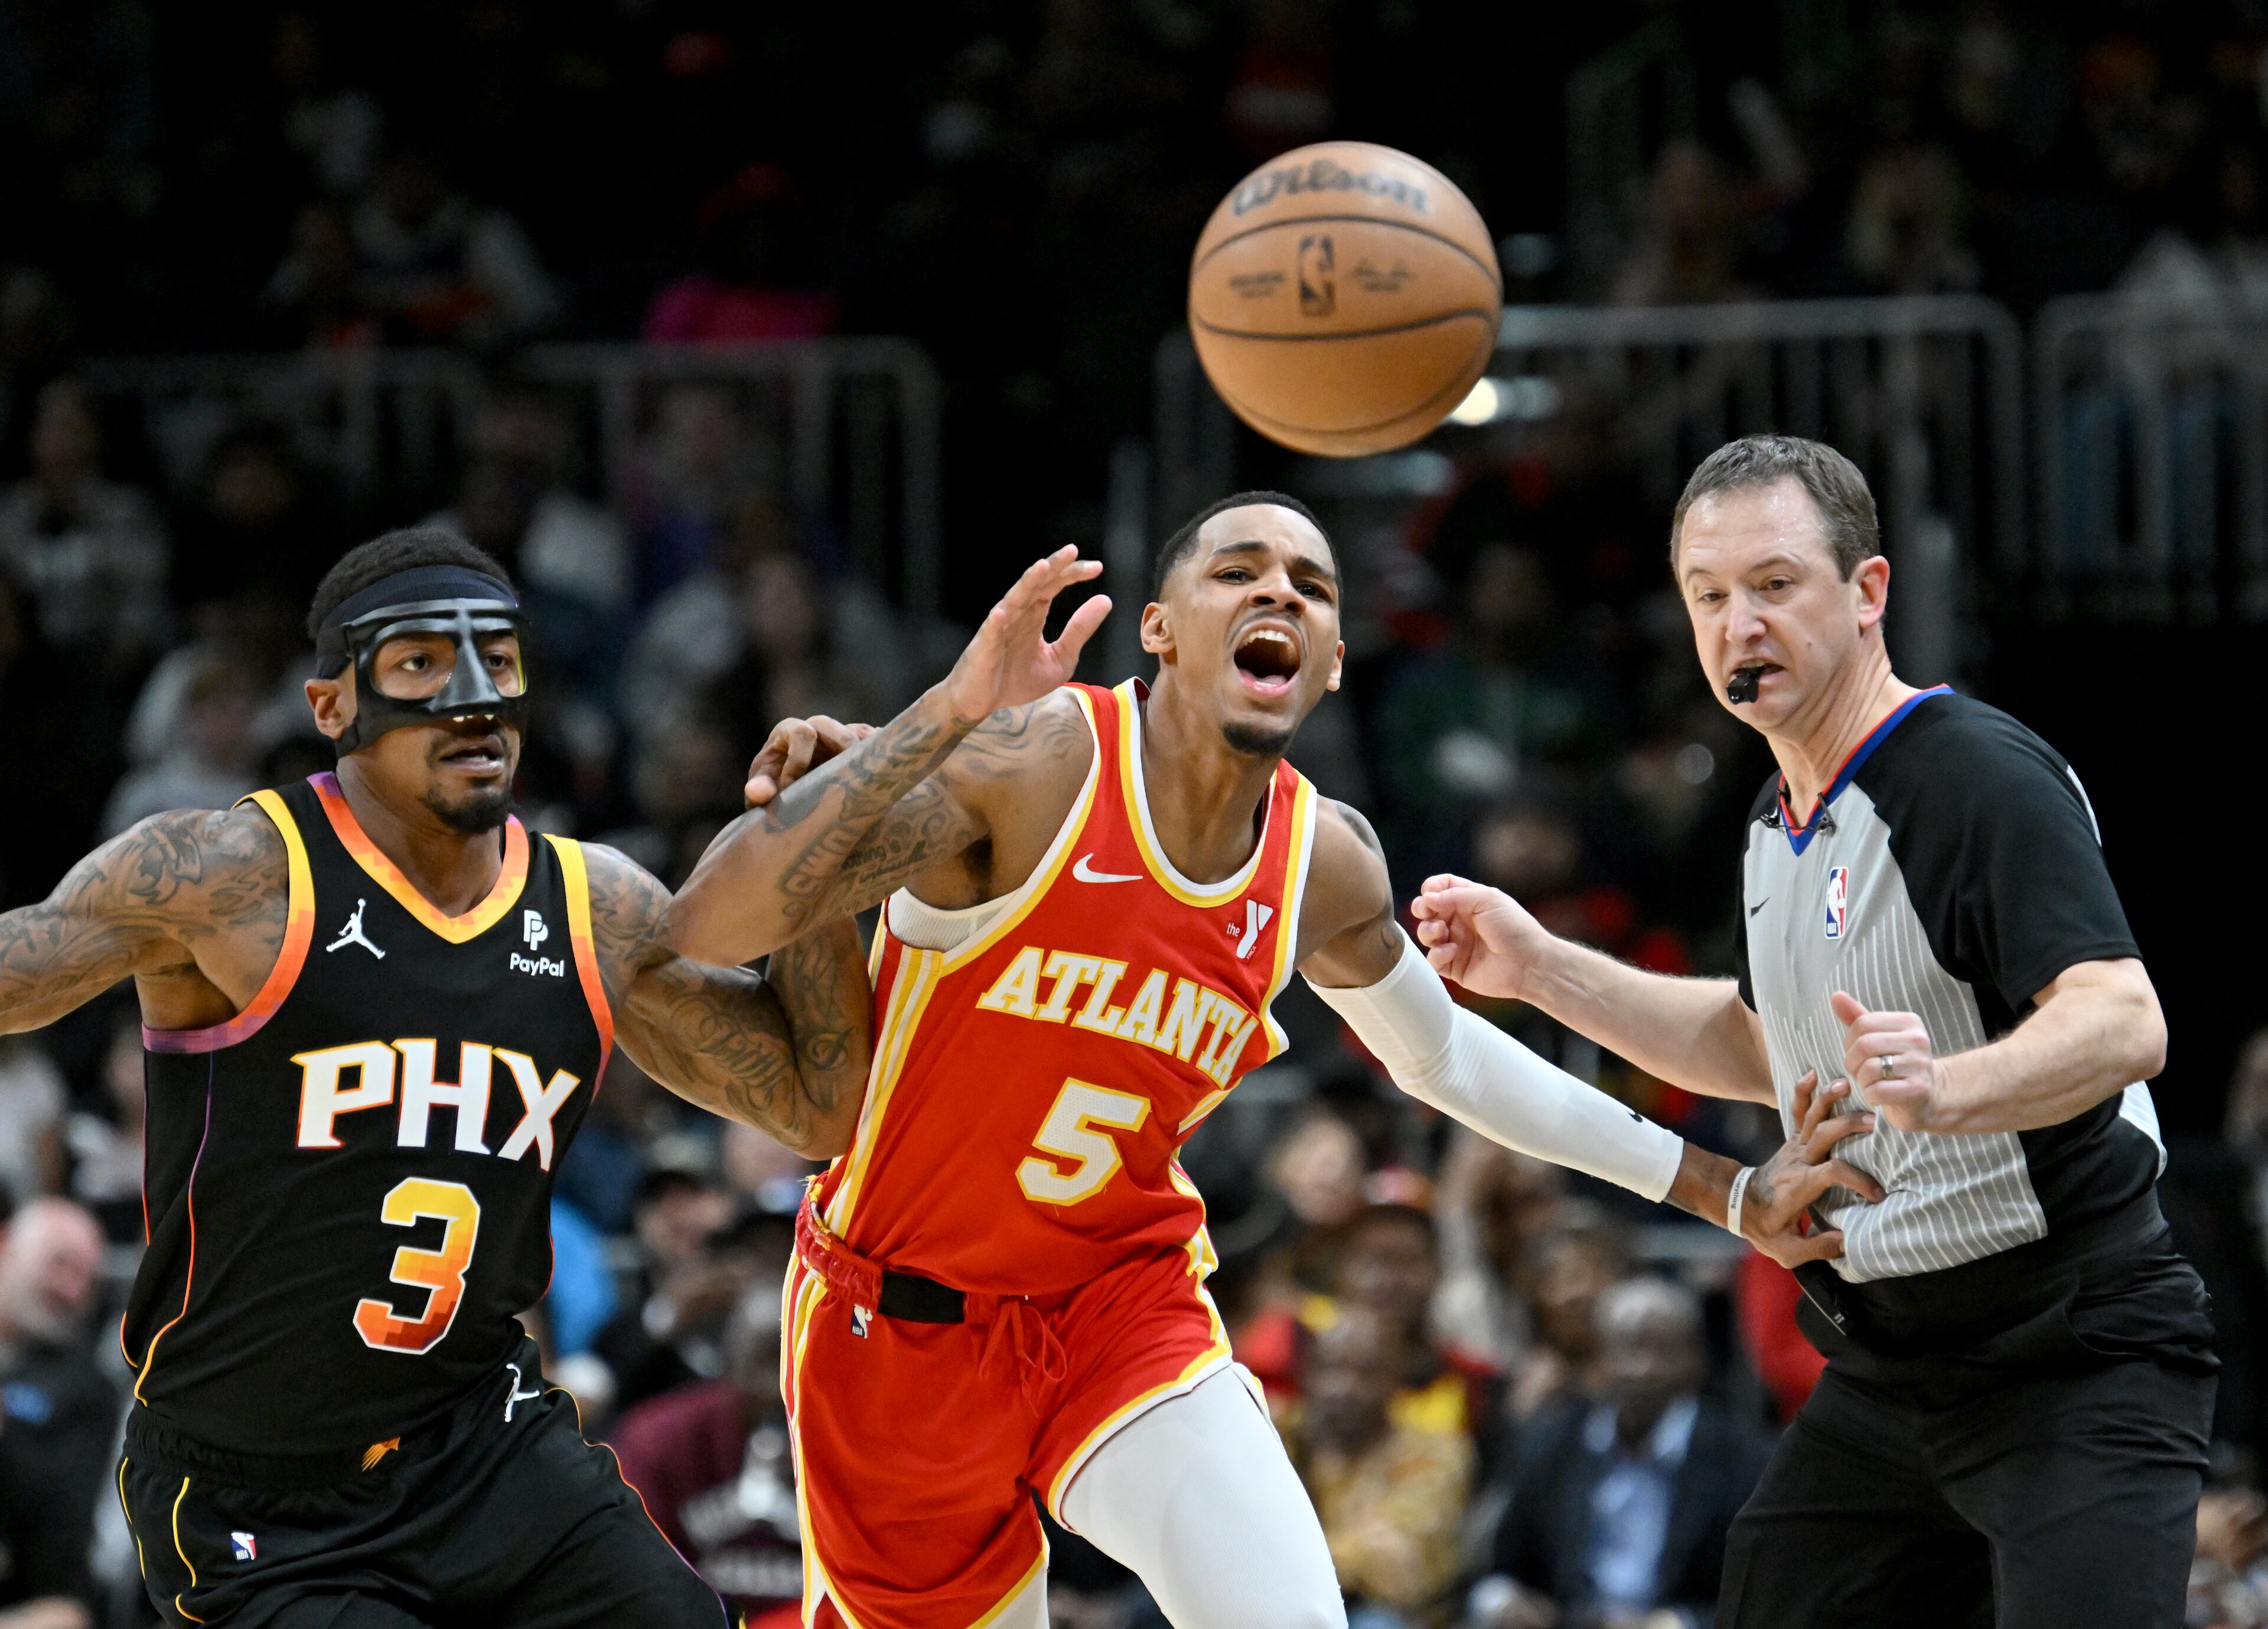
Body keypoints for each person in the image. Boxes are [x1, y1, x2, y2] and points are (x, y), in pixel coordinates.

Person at [672, 491, 1873, 1629]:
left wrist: (1722, 1190)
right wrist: (919, 728)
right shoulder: (1033, 766)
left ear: (1335, 658)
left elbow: (1448, 1057)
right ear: (1159, 630)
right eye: (1239, 570)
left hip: (1115, 1305)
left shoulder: (1323, 861)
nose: (1280, 593)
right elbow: (710, 926)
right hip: (897, 1324)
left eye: (1313, 583)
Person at [0, 522, 959, 1627]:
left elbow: (818, 1108)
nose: (472, 700)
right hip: (255, 1486)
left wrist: (810, 849)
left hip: (482, 1446)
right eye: (420, 663)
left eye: (496, 661)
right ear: (332, 706)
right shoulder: (227, 876)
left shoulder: (593, 906)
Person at [1414, 435, 2214, 1629]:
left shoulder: (1974, 775)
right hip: (1893, 1365)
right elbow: (1759, 1044)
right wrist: (1536, 968)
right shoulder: (1772, 818)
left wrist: (1950, 1087)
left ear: (1868, 590)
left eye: (1775, 584)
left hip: (2072, 1350)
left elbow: (2123, 1017)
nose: (1739, 624)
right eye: (1709, 595)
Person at [1477, 1277, 1772, 1629]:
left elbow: (1764, 1595)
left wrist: (1677, 1623)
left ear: (1696, 1361)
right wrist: (1504, 1601)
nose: (1642, 1369)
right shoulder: (1550, 1443)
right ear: (1598, 1359)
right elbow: (1499, 1573)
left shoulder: (1742, 1459)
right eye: (1626, 1349)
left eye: (1663, 1350)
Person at [612, 1285, 804, 1627]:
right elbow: (634, 1572)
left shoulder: (856, 1444)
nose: (779, 1385)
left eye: (796, 1362)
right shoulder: (659, 1439)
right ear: (729, 1364)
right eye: (766, 1360)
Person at [1280, 1306, 1469, 1627]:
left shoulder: (1434, 1452)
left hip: (1387, 1612)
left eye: (1364, 1373)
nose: (1343, 1388)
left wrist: (1285, 1561)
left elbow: (1397, 1563)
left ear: (1396, 1379)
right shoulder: (1283, 1434)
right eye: (1330, 1369)